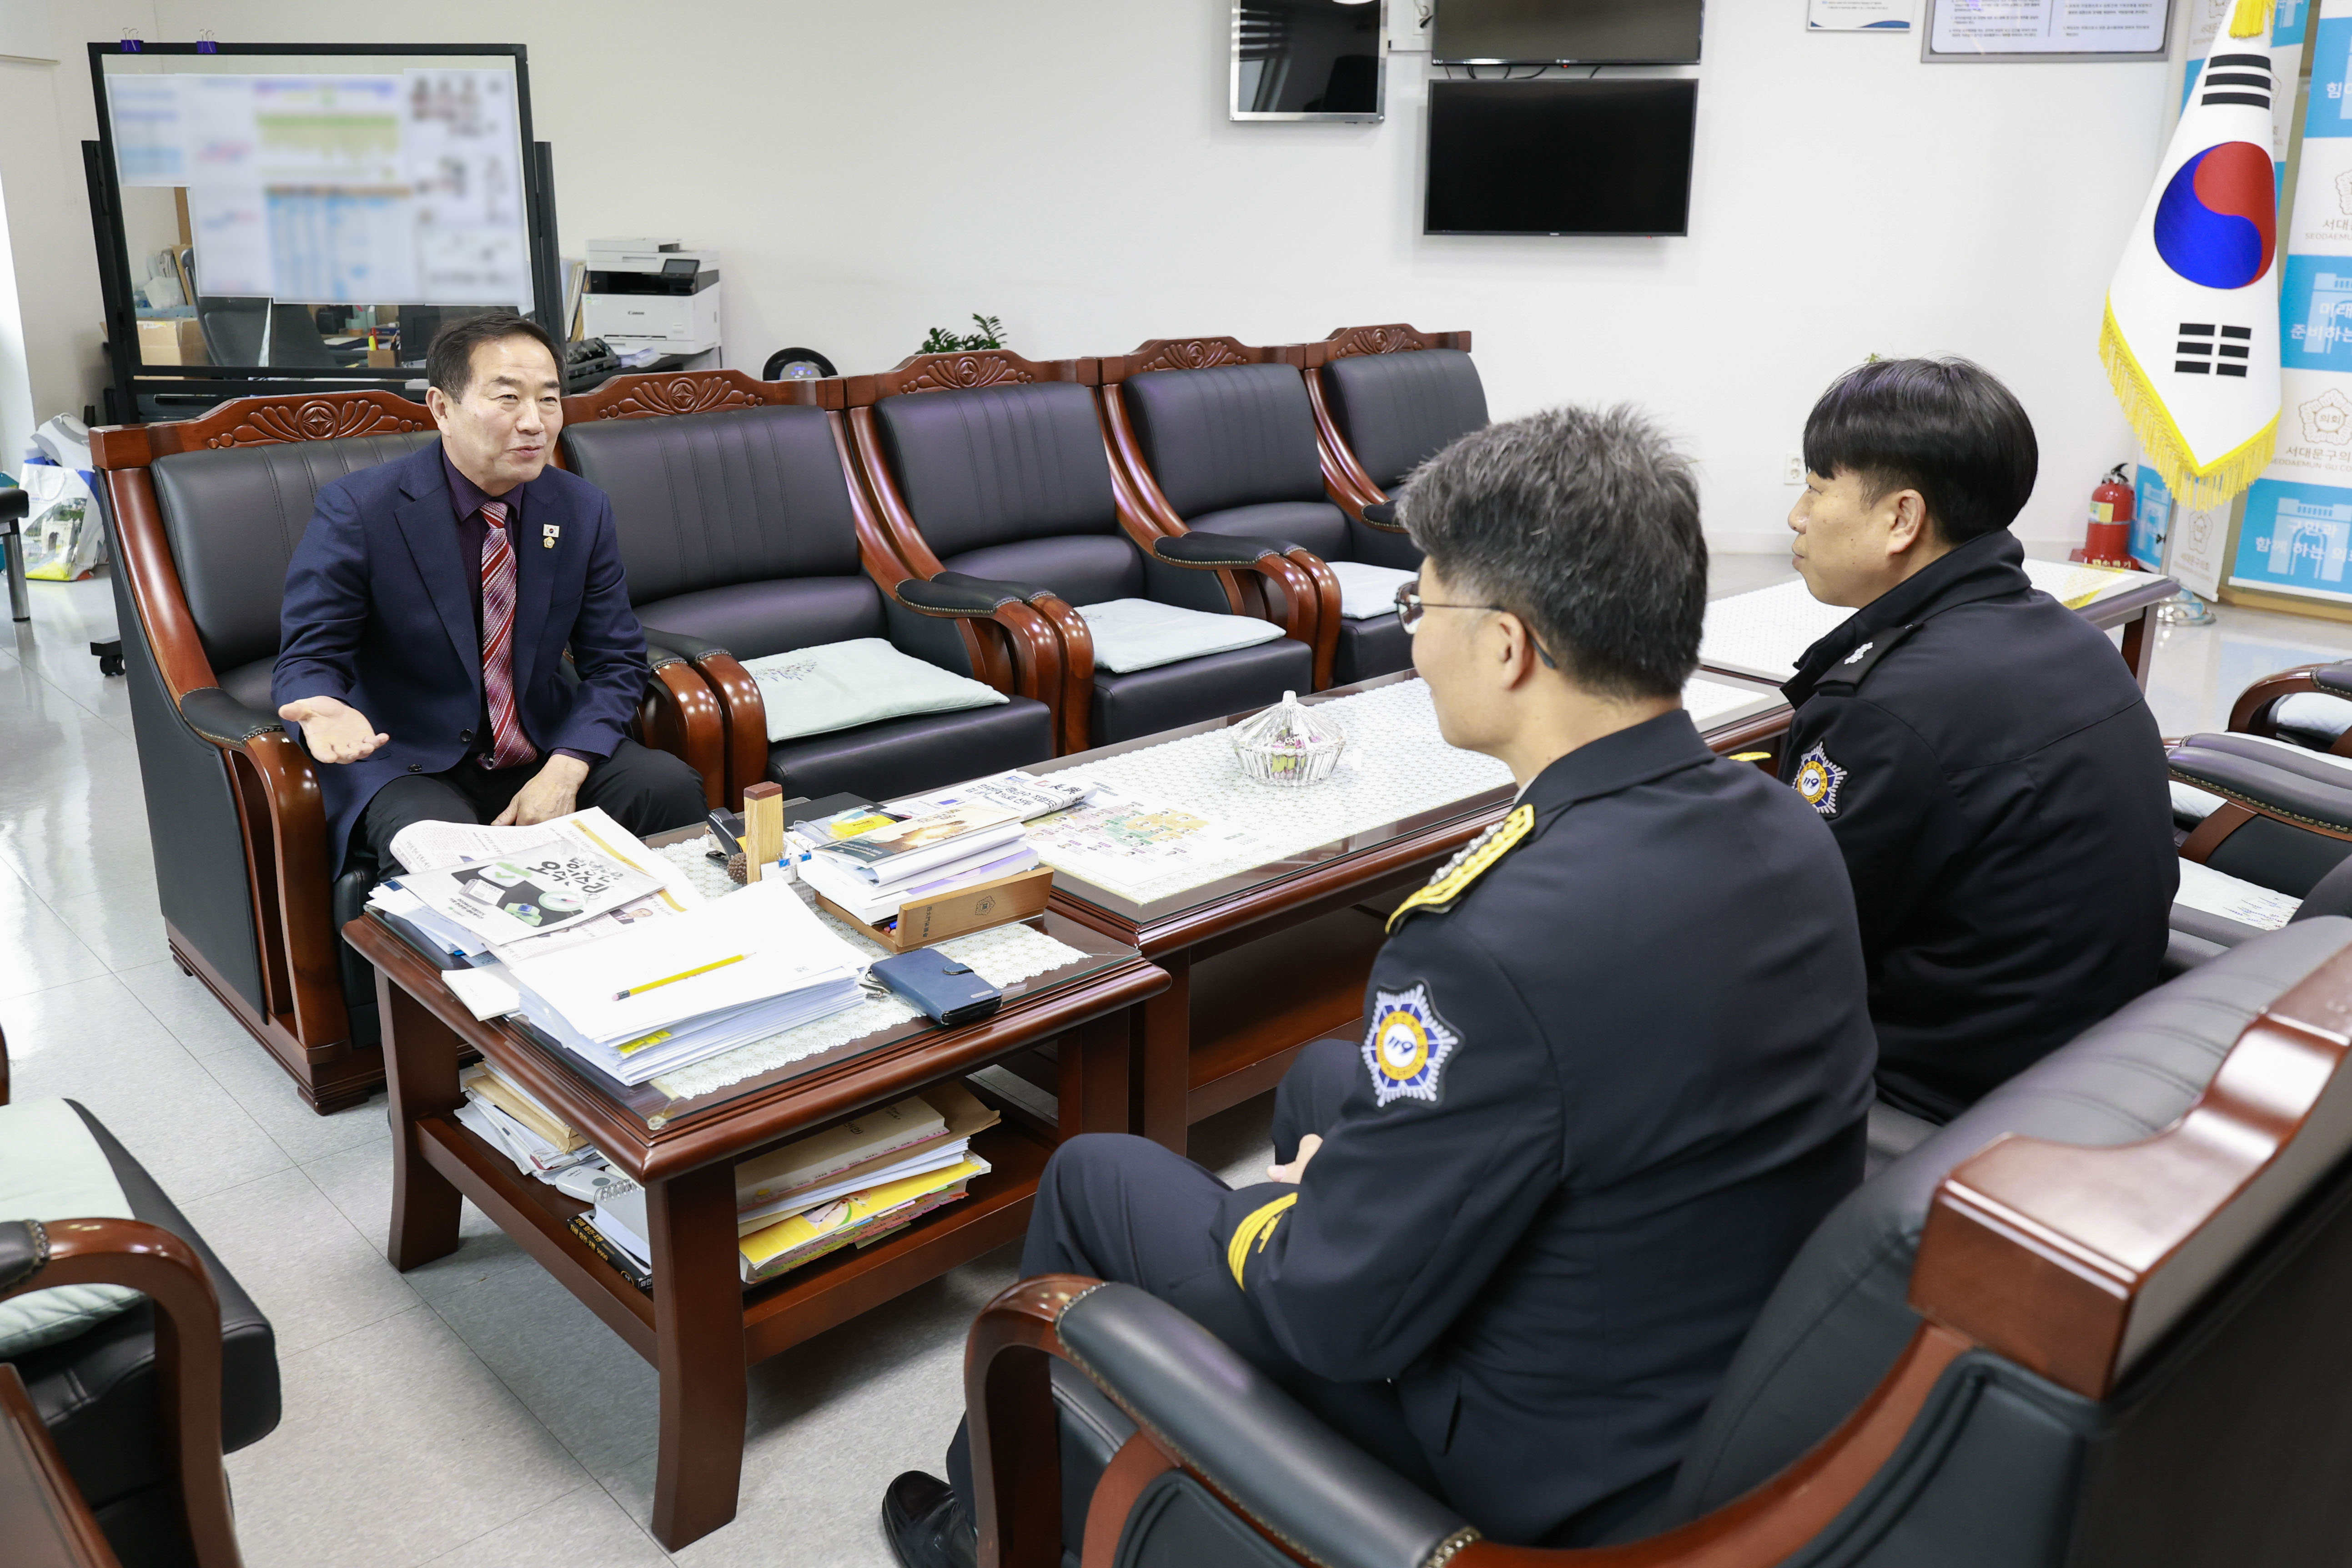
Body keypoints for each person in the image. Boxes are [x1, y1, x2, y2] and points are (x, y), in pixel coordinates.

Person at [882, 407, 1879, 1563]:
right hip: (1719, 1375)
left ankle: (985, 1530)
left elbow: (1331, 1315)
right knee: (1325, 1075)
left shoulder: (1485, 940)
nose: (1413, 643)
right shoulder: (1777, 814)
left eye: (1421, 607)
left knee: (1097, 1173)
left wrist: (1297, 1209)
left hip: (1549, 1474)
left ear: (1505, 645)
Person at [1781, 358, 2178, 1125]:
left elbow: (1789, 947)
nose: (1799, 515)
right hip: (2089, 1057)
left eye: (1817, 486)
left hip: (1942, 1097)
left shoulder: (1885, 711)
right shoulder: (2073, 641)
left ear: (1902, 518)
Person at [272, 312, 705, 876]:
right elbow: (309, 655)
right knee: (438, 854)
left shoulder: (579, 508)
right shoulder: (360, 510)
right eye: (508, 399)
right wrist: (321, 709)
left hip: (542, 739)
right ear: (441, 408)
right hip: (411, 757)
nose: (534, 423)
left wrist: (567, 766)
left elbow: (616, 660)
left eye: (548, 400)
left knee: (666, 788)